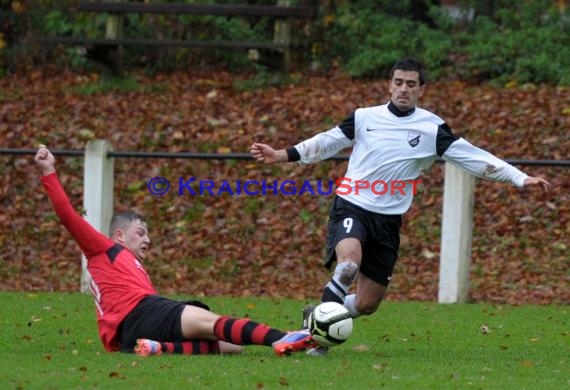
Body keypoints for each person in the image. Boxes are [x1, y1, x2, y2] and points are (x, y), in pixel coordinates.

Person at [250, 57, 550, 356]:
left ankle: (318, 314)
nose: (403, 89)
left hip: (389, 220)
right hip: (352, 205)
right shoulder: (365, 117)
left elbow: (475, 157)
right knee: (349, 264)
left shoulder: (433, 129)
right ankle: (316, 341)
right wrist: (281, 154)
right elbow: (327, 142)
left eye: (410, 84)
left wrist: (520, 178)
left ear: (422, 89)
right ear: (389, 85)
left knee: (368, 303)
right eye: (398, 82)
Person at [34, 145, 317, 357]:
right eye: (140, 233)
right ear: (118, 235)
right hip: (141, 313)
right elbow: (69, 216)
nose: (148, 240)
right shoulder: (104, 248)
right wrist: (49, 172)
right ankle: (282, 337)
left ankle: (160, 347)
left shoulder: (129, 265)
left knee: (232, 347)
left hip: (131, 332)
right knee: (211, 321)